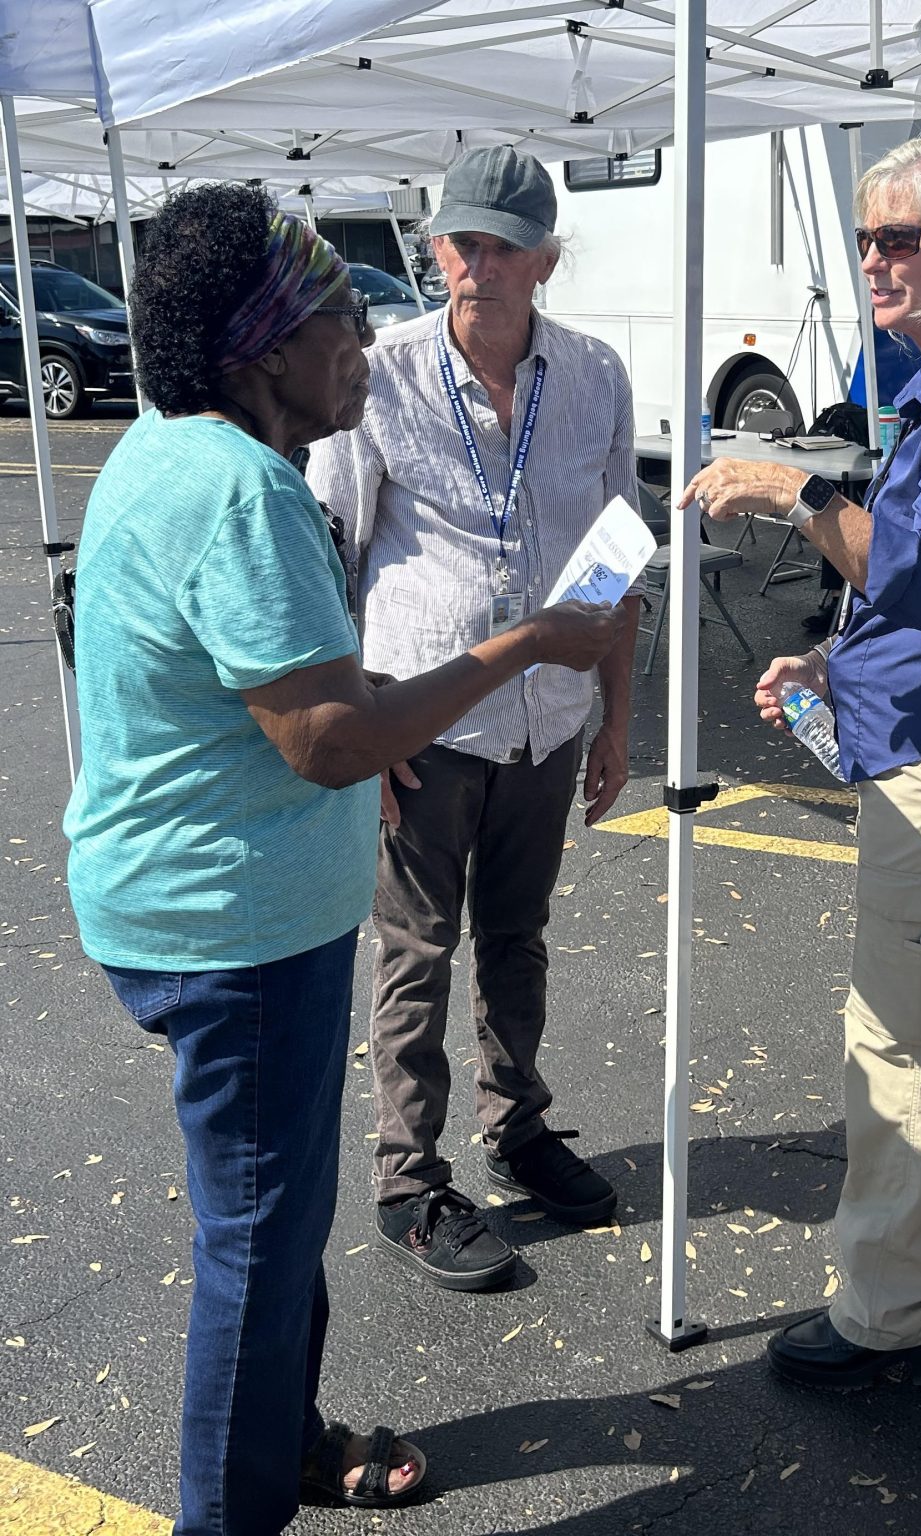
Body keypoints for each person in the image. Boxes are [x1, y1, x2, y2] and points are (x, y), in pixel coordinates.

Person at [62, 183, 620, 1536]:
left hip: (204, 908)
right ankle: (229, 1511)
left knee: (276, 1218)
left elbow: (290, 685)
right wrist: (523, 646)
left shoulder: (169, 448)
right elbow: (324, 740)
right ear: (264, 350)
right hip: (234, 934)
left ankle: (282, 1437)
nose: (364, 342)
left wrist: (373, 709)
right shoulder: (242, 490)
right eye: (336, 317)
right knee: (258, 1244)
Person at [680, 132, 921, 1391]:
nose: (874, 261)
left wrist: (791, 491)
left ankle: (895, 1322)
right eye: (864, 240)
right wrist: (834, 667)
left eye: (900, 237)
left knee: (909, 1047)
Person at [307, 146, 641, 1294]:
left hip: (546, 720)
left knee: (518, 936)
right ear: (437, 247)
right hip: (422, 725)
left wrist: (616, 720)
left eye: (503, 247)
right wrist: (360, 731)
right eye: (461, 243)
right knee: (416, 949)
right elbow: (332, 561)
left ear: (546, 259)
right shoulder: (383, 376)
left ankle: (517, 1125)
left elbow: (617, 562)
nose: (477, 266)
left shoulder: (593, 374)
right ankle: (407, 1179)